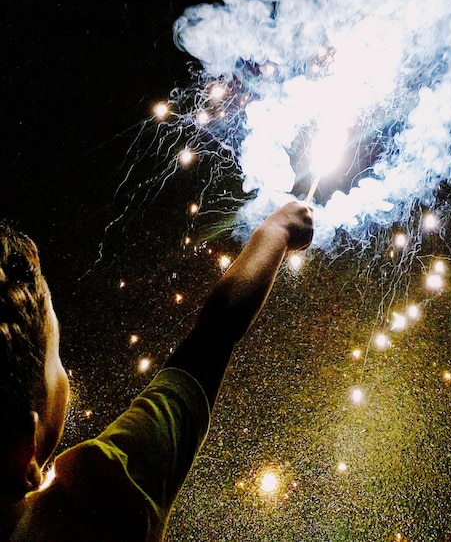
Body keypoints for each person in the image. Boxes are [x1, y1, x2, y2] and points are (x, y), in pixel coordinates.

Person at [0, 200, 314, 541]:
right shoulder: (95, 497)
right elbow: (214, 335)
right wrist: (277, 231)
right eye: (55, 356)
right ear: (22, 453)